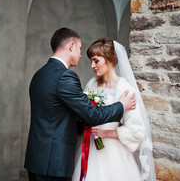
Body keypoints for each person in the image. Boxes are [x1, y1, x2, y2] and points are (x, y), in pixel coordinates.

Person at [24, 28, 137, 181]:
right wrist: (121, 105)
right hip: (54, 163)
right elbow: (92, 115)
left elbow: (57, 115)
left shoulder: (39, 74)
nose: (80, 55)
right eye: (79, 49)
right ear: (71, 46)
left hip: (36, 159)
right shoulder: (65, 76)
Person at [72, 37, 156, 181]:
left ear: (109, 60)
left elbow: (136, 131)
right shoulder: (91, 84)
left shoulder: (124, 89)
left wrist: (107, 133)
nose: (92, 65)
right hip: (89, 148)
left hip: (114, 155)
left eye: (96, 60)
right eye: (91, 61)